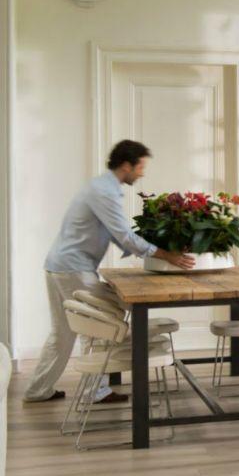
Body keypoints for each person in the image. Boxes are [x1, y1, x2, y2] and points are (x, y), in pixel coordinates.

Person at [23, 140, 195, 404]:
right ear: (126, 166)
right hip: (73, 268)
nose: (142, 173)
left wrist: (151, 248)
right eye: (140, 167)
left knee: (63, 333)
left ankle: (38, 390)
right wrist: (166, 255)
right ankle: (94, 391)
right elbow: (124, 236)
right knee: (100, 327)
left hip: (59, 265)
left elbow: (117, 235)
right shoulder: (104, 192)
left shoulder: (100, 187)